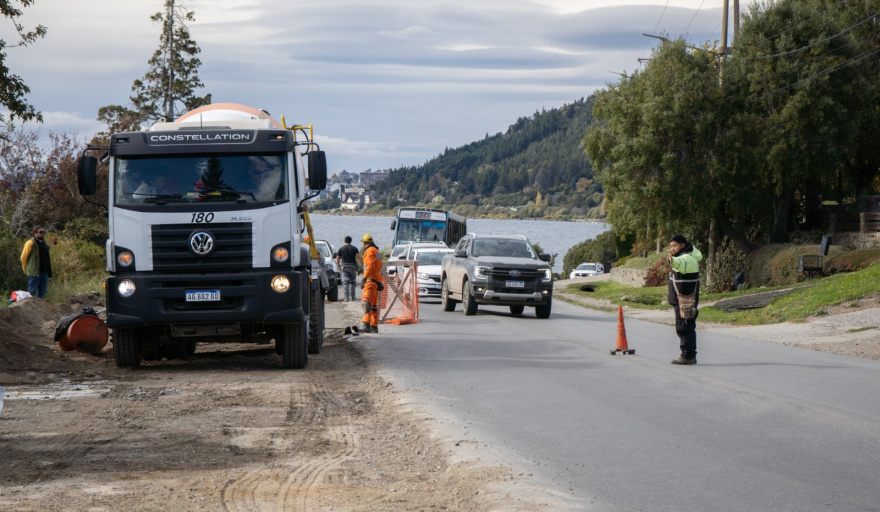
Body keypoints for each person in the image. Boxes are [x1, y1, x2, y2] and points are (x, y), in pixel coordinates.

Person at [667, 234, 702, 365]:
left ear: (682, 245)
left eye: (675, 246)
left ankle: (686, 356)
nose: (672, 249)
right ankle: (691, 355)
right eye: (671, 246)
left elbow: (680, 264)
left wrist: (672, 261)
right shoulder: (692, 256)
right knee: (688, 326)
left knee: (683, 327)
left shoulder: (686, 259)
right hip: (688, 299)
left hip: (684, 300)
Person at [20, 226, 53, 299]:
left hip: (44, 272)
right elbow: (23, 257)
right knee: (31, 293)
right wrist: (26, 270)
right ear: (35, 233)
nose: (42, 234)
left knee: (42, 293)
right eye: (40, 232)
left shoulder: (44, 244)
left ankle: (40, 309)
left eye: (43, 232)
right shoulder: (30, 243)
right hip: (34, 273)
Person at [360, 233, 382, 333]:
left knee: (366, 303)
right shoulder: (376, 250)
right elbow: (378, 265)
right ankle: (374, 326)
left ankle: (366, 325)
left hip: (371, 280)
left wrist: (364, 278)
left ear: (364, 242)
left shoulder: (369, 251)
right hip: (376, 280)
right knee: (373, 305)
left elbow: (370, 266)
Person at [336, 236, 362, 302]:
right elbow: (358, 257)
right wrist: (360, 266)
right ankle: (353, 296)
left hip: (344, 267)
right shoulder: (354, 248)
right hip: (353, 267)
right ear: (351, 241)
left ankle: (346, 297)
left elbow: (338, 258)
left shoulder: (341, 249)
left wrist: (338, 266)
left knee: (345, 282)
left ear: (345, 241)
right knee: (353, 282)